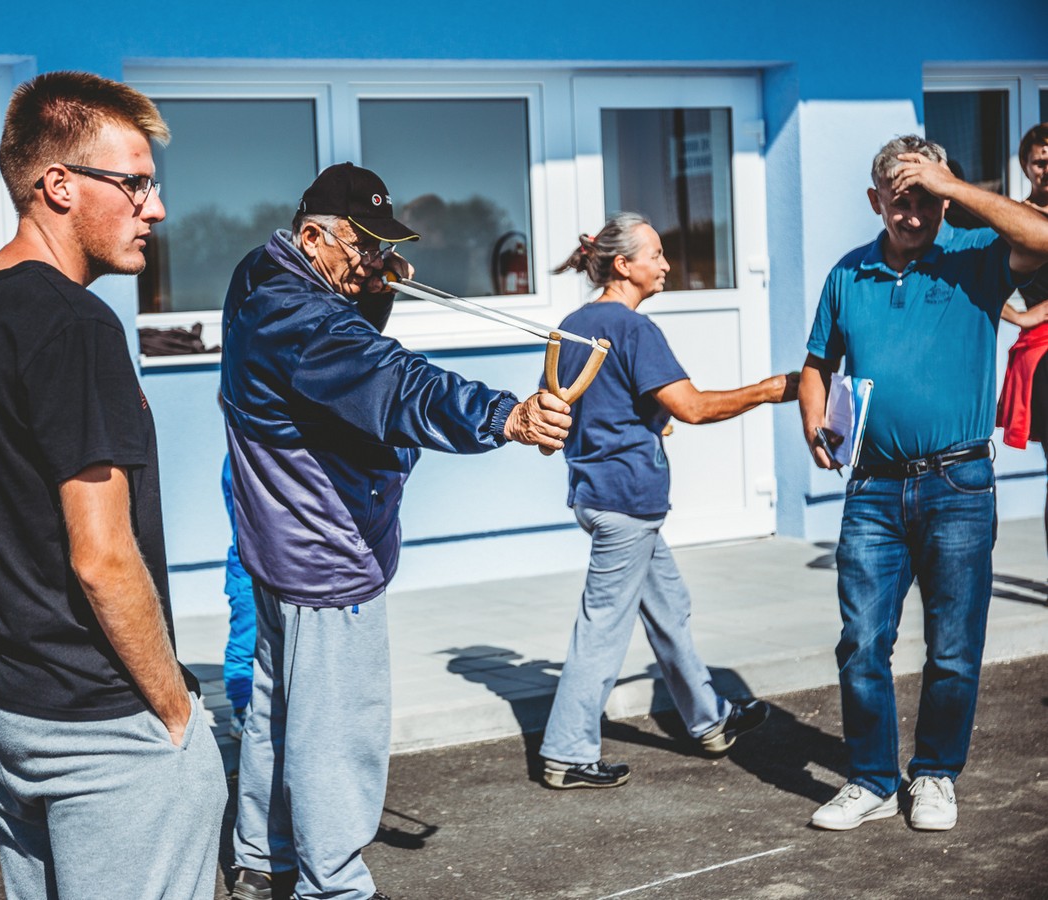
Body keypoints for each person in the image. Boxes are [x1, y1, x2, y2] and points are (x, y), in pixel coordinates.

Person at [223, 161, 572, 900]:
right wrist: (504, 416)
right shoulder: (301, 317)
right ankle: (335, 885)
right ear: (314, 235)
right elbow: (389, 380)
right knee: (336, 733)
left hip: (278, 544)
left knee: (279, 710)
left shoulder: (261, 273)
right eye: (364, 246)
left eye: (384, 247)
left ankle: (262, 856)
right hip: (324, 550)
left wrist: (370, 286)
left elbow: (333, 358)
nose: (377, 261)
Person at [0, 71, 225, 899]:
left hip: (1, 700)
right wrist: (175, 714)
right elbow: (102, 556)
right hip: (98, 721)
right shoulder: (76, 324)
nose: (154, 209)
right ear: (58, 185)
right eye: (134, 183)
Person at [800, 135, 1048, 832]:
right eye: (900, 202)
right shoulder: (849, 274)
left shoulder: (975, 257)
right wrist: (814, 424)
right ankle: (873, 780)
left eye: (926, 201)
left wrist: (957, 189)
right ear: (876, 201)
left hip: (959, 485)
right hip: (873, 491)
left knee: (954, 646)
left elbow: (1044, 236)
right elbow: (818, 362)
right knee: (862, 641)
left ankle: (935, 774)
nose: (913, 216)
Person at [537, 213, 795, 790]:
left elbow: (577, 410)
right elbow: (694, 407)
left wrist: (642, 419)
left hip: (599, 495)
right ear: (624, 265)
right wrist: (771, 390)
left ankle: (710, 721)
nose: (666, 265)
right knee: (602, 629)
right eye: (656, 254)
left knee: (669, 609)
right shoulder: (633, 330)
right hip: (626, 499)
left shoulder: (573, 325)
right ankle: (566, 753)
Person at [996, 124, 1048, 555]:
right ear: (1026, 168)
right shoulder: (1018, 218)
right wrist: (1021, 314)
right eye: (1040, 162)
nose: (1047, 169)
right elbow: (977, 282)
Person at [221, 451, 257, 738]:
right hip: (248, 568)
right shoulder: (238, 459)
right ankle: (241, 711)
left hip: (265, 566)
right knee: (244, 643)